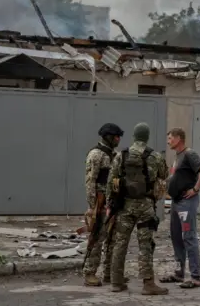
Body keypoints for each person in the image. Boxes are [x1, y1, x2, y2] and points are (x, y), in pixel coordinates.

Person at [106, 123, 169, 295]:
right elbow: (164, 175)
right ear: (147, 137)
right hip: (145, 207)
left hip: (124, 206)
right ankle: (148, 284)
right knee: (145, 245)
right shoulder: (155, 156)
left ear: (134, 136)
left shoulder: (121, 155)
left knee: (120, 243)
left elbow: (112, 180)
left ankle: (116, 282)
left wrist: (109, 205)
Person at [161, 127, 200, 289]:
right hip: (177, 202)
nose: (168, 141)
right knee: (176, 236)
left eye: (170, 138)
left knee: (189, 236)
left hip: (186, 203)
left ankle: (195, 277)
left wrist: (196, 189)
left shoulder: (190, 154)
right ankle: (179, 273)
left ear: (178, 139)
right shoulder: (178, 156)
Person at [82, 122, 124, 287]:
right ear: (108, 137)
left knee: (113, 239)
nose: (118, 139)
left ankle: (109, 273)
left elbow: (115, 180)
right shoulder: (96, 155)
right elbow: (90, 181)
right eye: (116, 137)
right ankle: (90, 272)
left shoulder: (115, 155)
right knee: (97, 238)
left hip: (112, 202)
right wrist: (92, 206)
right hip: (100, 202)